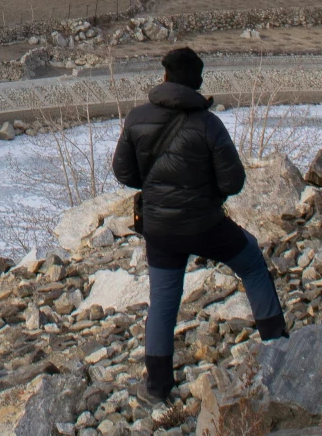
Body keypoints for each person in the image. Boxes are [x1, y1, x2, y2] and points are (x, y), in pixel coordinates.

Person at [111, 46, 288, 401]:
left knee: (163, 302)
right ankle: (277, 348)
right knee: (252, 263)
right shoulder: (209, 124)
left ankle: (159, 388)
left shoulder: (136, 118)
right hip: (206, 226)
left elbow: (125, 173)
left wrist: (159, 191)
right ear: (197, 83)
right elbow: (232, 183)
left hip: (160, 228)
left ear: (164, 77)